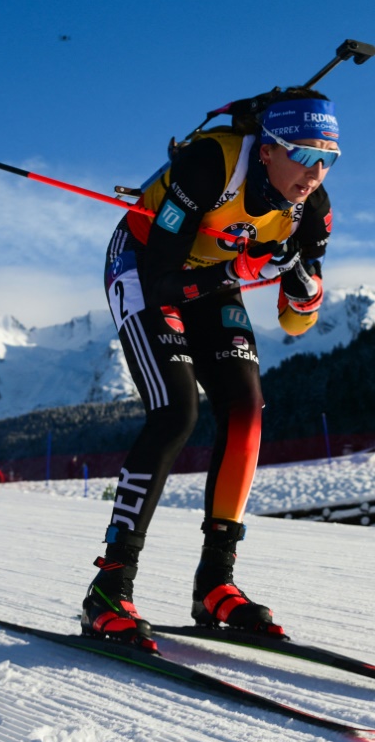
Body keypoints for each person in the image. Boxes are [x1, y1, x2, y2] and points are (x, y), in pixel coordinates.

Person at [82, 89, 338, 650]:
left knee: (246, 408)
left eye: (328, 159)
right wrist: (240, 273)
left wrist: (302, 289)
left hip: (211, 277)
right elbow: (163, 278)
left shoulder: (311, 211)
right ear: (267, 150)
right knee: (177, 412)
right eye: (303, 154)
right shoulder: (210, 165)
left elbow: (298, 324)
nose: (315, 172)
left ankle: (215, 583)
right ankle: (110, 586)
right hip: (147, 265)